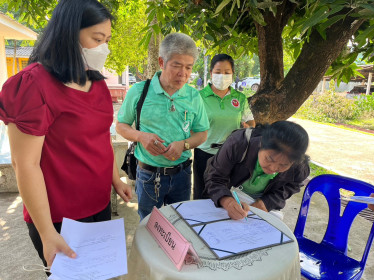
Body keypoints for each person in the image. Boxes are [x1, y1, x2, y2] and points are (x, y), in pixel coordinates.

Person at [0, 0, 132, 270]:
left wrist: (114, 178)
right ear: (69, 33)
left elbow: (100, 138)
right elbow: (25, 164)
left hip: (98, 204)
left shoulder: (96, 83)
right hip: (59, 218)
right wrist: (48, 233)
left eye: (107, 40)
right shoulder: (33, 85)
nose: (103, 48)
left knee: (101, 274)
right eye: (97, 39)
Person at [116, 33, 209, 220]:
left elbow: (202, 133)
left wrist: (184, 145)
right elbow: (120, 126)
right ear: (161, 62)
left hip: (182, 175)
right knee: (148, 227)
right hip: (148, 176)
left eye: (188, 67)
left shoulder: (193, 96)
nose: (183, 73)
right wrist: (141, 136)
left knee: (180, 225)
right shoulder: (139, 91)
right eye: (176, 65)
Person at [204, 121, 310, 220]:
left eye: (283, 165)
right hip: (230, 191)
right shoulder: (238, 143)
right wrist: (227, 201)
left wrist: (268, 202)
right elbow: (215, 177)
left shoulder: (299, 166)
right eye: (269, 159)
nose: (273, 169)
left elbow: (293, 185)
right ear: (261, 144)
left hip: (261, 199)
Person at [193, 54, 255, 200]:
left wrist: (248, 127)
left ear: (233, 74)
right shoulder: (199, 97)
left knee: (224, 196)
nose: (222, 76)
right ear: (211, 73)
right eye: (218, 72)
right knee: (202, 194)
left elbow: (251, 122)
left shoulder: (239, 98)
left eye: (227, 72)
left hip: (231, 155)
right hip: (204, 153)